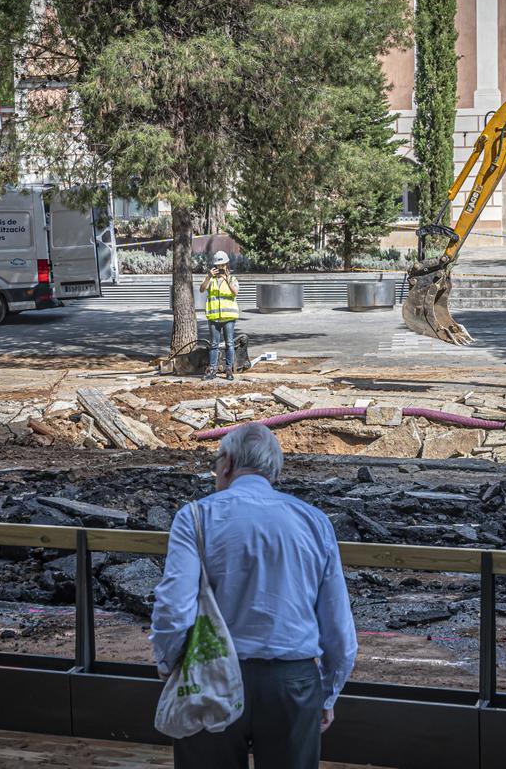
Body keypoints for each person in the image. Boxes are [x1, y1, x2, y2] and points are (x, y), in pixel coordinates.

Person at [151, 423, 357, 769]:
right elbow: (338, 626)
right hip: (293, 684)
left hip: (209, 675)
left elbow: (174, 608)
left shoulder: (196, 517)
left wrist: (168, 664)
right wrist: (327, 692)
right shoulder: (315, 522)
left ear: (227, 462)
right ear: (273, 470)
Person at [200, 250, 239, 381]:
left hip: (228, 318)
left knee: (229, 343)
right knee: (214, 344)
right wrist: (208, 277)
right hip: (214, 318)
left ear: (227, 265)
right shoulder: (211, 279)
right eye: (218, 266)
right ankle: (212, 369)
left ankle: (229, 369)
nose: (220, 268)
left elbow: (235, 292)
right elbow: (201, 289)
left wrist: (227, 279)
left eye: (222, 265)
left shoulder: (232, 279)